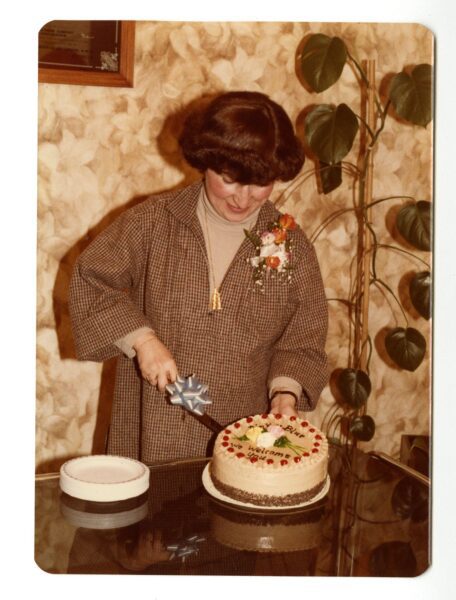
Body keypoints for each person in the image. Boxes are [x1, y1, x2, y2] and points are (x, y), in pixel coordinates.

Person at [69, 91, 328, 462]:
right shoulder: (152, 221)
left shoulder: (291, 245)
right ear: (206, 162)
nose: (244, 197)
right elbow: (92, 278)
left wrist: (285, 396)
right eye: (230, 179)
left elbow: (303, 340)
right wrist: (142, 340)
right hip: (151, 430)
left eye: (261, 183)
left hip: (245, 441)